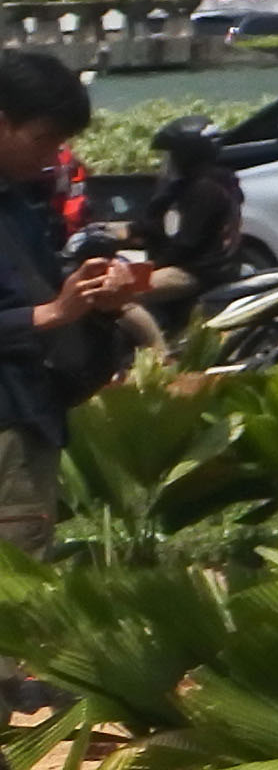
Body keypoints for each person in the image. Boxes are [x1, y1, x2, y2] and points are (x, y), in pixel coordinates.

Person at [0, 50, 141, 552]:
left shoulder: (17, 200)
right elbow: (42, 307)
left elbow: (42, 281)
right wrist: (53, 313)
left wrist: (93, 293)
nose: (52, 155)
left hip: (32, 410)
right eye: (44, 139)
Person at [129, 118, 255, 367]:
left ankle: (162, 361)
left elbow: (186, 244)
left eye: (172, 155)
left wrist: (150, 268)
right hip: (204, 265)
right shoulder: (210, 182)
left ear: (187, 155)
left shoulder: (204, 189)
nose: (167, 162)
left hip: (199, 271)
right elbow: (153, 224)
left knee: (122, 296)